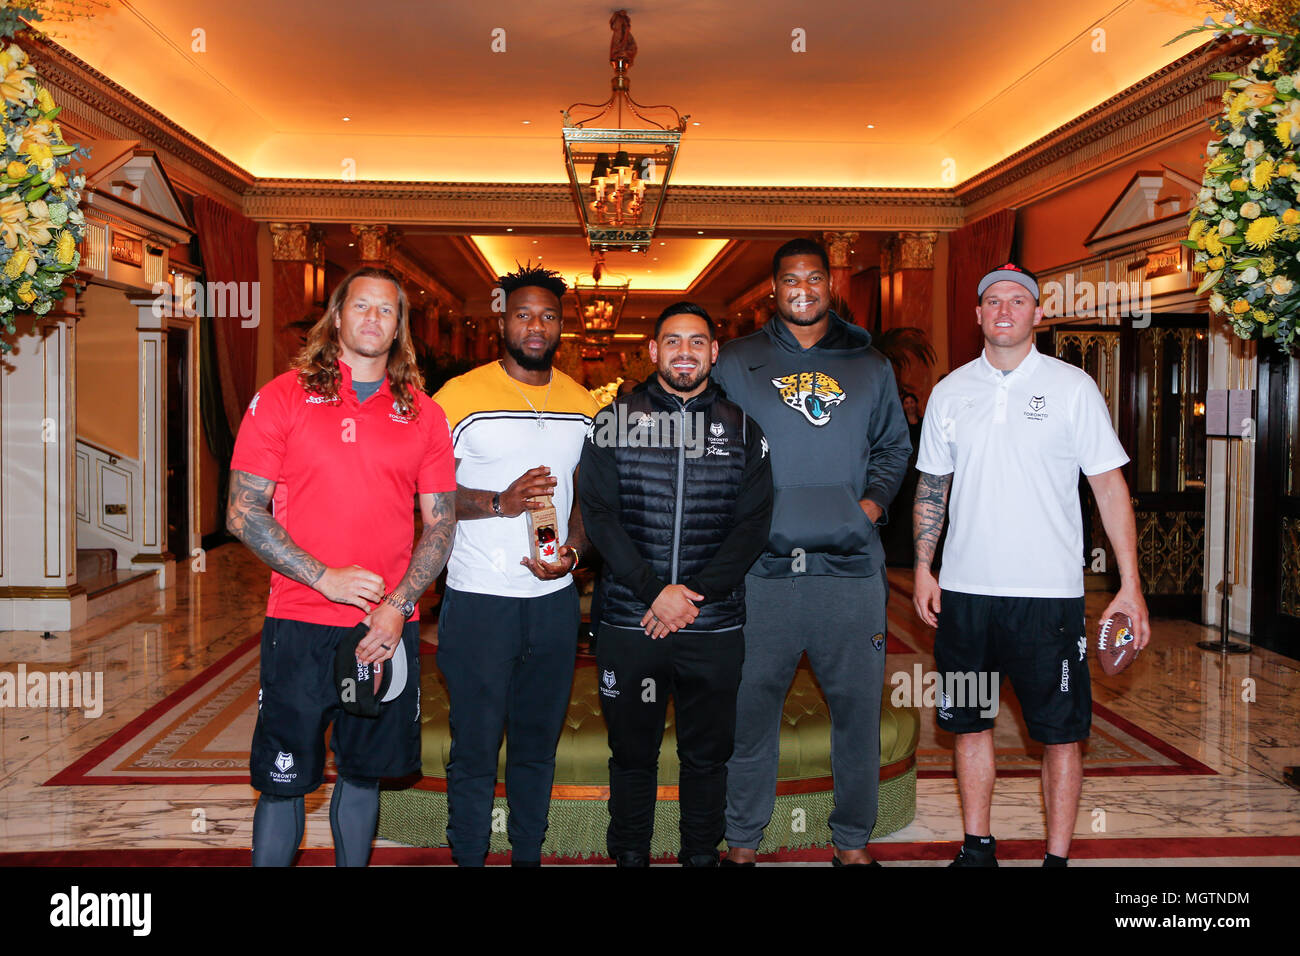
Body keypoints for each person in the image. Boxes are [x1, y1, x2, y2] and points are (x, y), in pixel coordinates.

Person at [912, 262, 1150, 868]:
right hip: (966, 596)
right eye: (992, 301)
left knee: (1062, 734)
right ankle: (976, 845)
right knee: (969, 724)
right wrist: (922, 565)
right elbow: (932, 486)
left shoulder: (1073, 389)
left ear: (1038, 314)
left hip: (1050, 598)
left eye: (1018, 301)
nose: (1004, 311)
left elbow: (1108, 487)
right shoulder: (950, 392)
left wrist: (1130, 585)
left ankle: (1057, 858)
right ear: (977, 314)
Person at [227, 266, 457, 867]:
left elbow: (441, 525)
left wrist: (398, 607)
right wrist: (324, 577)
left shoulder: (425, 416)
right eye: (362, 307)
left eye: (387, 310)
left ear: (400, 327)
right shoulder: (281, 397)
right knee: (283, 781)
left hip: (384, 629)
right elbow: (242, 512)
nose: (373, 319)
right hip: (299, 622)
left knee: (363, 774)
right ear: (336, 315)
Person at [713, 237, 912, 866]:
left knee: (857, 717)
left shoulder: (870, 365)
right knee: (749, 715)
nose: (803, 288)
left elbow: (893, 450)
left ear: (831, 285)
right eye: (790, 278)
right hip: (760, 576)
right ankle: (743, 840)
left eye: (815, 277)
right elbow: (710, 450)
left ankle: (852, 842)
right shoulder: (735, 361)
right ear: (772, 289)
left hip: (849, 576)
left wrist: (869, 510)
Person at [578, 302, 773, 867]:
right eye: (672, 341)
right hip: (628, 621)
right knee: (632, 755)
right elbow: (599, 514)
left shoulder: (742, 429)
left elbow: (751, 526)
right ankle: (630, 856)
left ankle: (699, 857)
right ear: (653, 350)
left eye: (696, 342)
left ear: (714, 352)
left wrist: (689, 597)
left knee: (707, 757)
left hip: (711, 628)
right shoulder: (613, 421)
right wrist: (652, 591)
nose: (684, 352)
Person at [432, 264, 598, 867]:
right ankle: (469, 856)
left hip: (553, 606)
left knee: (536, 745)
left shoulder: (581, 404)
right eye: (524, 314)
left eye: (549, 316)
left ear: (563, 326)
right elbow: (422, 495)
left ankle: (527, 853)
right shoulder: (458, 397)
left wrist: (574, 555)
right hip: (478, 601)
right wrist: (496, 502)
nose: (536, 326)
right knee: (474, 746)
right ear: (501, 319)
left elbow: (586, 498)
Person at [885, 390, 924, 567]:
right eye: (906, 403)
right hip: (906, 472)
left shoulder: (924, 422)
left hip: (921, 469)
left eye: (912, 402)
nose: (909, 405)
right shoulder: (900, 425)